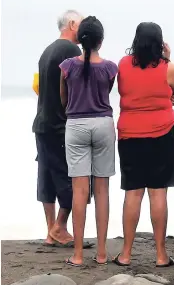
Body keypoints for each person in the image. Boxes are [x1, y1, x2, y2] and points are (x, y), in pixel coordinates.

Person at [114, 22, 174, 267]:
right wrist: (167, 59)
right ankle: (161, 255)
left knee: (132, 192)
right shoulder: (169, 68)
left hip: (129, 134)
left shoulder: (123, 65)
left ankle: (125, 254)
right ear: (160, 43)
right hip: (162, 133)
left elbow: (125, 90)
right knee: (158, 192)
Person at [59, 16, 118, 267]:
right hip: (103, 124)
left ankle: (79, 254)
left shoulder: (67, 66)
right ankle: (103, 253)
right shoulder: (110, 68)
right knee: (102, 190)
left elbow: (64, 100)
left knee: (79, 191)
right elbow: (106, 93)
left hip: (76, 125)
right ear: (101, 42)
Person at [32, 10, 93, 248]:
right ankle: (59, 227)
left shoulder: (47, 50)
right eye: (81, 24)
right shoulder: (70, 50)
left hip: (42, 122)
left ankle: (52, 231)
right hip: (59, 124)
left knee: (46, 177)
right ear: (71, 24)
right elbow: (77, 87)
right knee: (73, 178)